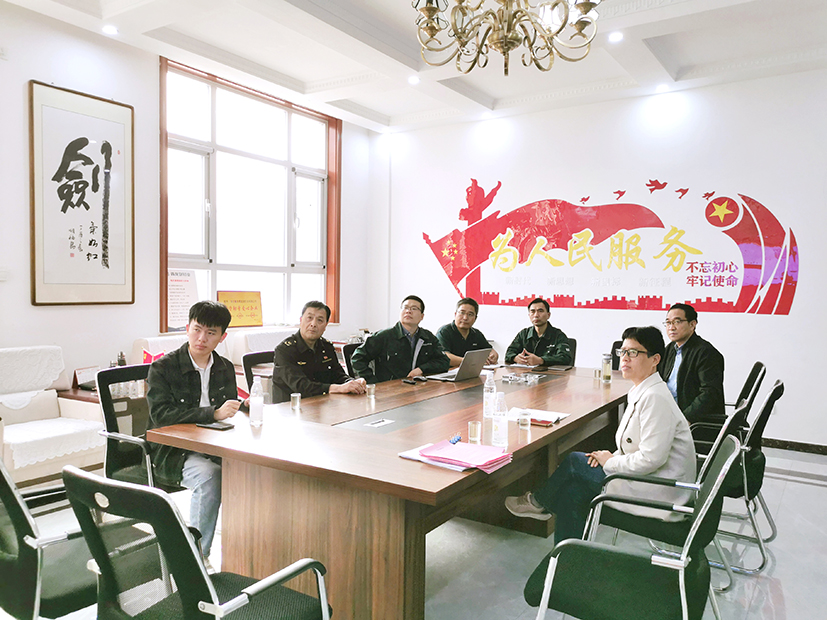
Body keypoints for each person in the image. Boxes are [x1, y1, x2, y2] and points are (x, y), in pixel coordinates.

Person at [504, 325, 696, 546]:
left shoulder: (655, 398)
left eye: (633, 352)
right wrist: (609, 457)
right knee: (572, 492)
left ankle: (538, 502)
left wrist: (611, 461)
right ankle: (567, 556)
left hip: (659, 493)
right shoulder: (642, 390)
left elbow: (651, 459)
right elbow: (636, 447)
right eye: (623, 351)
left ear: (655, 359)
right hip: (646, 481)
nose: (625, 358)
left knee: (575, 461)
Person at [146, 300, 240, 569]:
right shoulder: (163, 368)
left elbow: (229, 411)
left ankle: (247, 555)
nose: (202, 338)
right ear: (187, 328)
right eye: (197, 329)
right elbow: (161, 415)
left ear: (222, 337)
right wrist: (212, 414)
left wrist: (230, 412)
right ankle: (196, 558)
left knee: (254, 471)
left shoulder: (224, 367)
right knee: (211, 476)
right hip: (173, 451)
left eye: (211, 333)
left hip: (215, 444)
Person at [272, 300, 366, 402]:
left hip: (322, 404)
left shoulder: (326, 347)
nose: (313, 324)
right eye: (309, 318)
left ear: (325, 325)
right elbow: (301, 386)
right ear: (301, 320)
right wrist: (337, 388)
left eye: (320, 320)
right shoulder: (284, 350)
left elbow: (338, 375)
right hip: (291, 407)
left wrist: (353, 383)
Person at [351, 295, 449, 382]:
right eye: (405, 308)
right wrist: (372, 382)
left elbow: (444, 361)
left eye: (414, 308)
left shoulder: (427, 337)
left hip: (418, 387)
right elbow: (358, 358)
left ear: (422, 316)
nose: (408, 311)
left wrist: (422, 369)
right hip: (390, 390)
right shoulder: (384, 336)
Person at [659, 303, 725, 424]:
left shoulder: (706, 353)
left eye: (677, 322)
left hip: (694, 421)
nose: (671, 327)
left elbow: (709, 394)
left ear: (692, 324)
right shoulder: (670, 349)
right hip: (669, 413)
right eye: (668, 322)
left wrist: (685, 419)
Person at [505, 298, 572, 367]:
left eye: (540, 311)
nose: (536, 315)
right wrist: (515, 358)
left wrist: (541, 360)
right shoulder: (523, 334)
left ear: (548, 315)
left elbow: (565, 358)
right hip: (526, 372)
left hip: (550, 373)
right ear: (529, 315)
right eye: (532, 311)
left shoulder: (558, 335)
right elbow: (509, 353)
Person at [436, 297, 499, 368]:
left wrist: (493, 355)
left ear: (475, 318)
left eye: (470, 314)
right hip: (447, 372)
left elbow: (489, 350)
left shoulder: (476, 334)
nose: (465, 318)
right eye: (462, 313)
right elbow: (444, 357)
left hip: (470, 372)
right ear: (455, 314)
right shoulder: (444, 332)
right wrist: (470, 361)